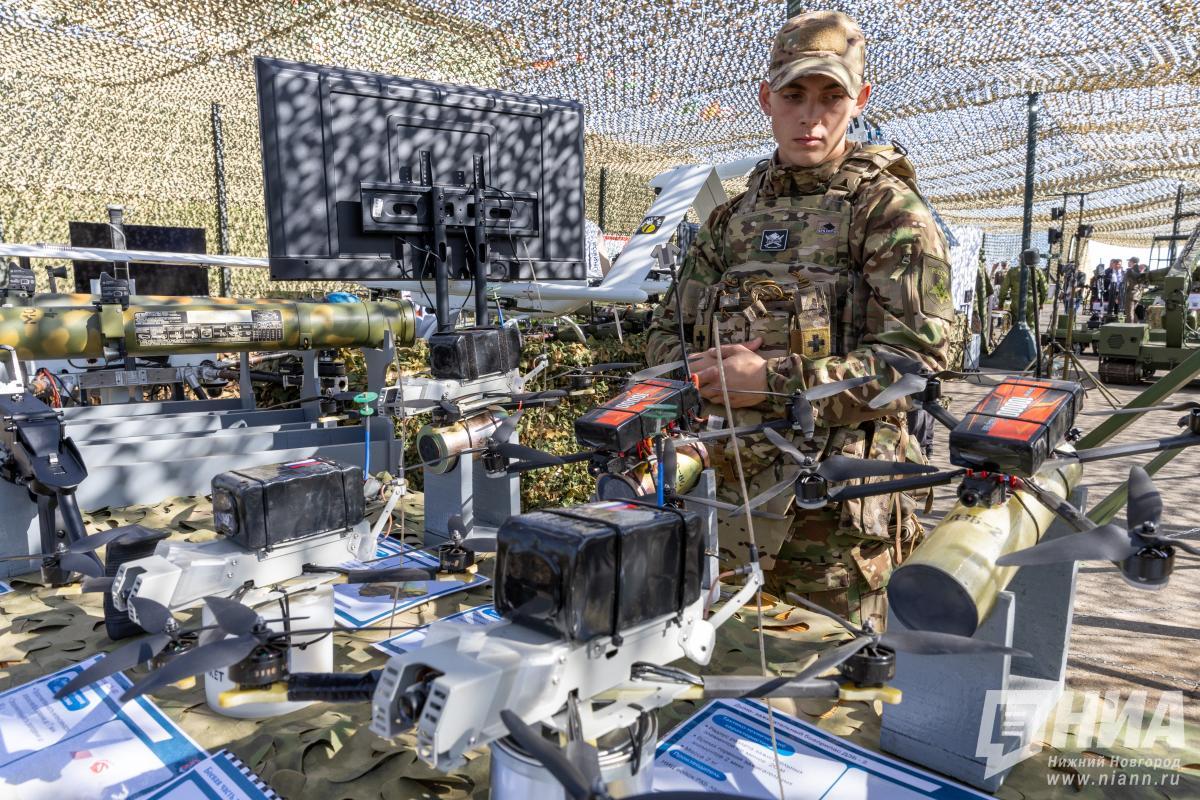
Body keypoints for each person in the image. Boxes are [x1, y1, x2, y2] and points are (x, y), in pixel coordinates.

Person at [644, 10, 952, 630]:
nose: (811, 116)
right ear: (767, 99)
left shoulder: (887, 211)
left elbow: (917, 361)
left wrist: (774, 381)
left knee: (831, 675)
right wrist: (700, 372)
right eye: (794, 95)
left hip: (832, 515)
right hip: (724, 493)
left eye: (831, 97)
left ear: (859, 100)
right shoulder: (731, 220)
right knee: (718, 658)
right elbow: (664, 332)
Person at [996, 257, 1047, 327]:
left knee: (1017, 326)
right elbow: (1044, 289)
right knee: (1031, 326)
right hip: (1032, 302)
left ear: (1019, 259)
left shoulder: (1012, 271)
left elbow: (1004, 289)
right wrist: (1041, 302)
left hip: (1017, 303)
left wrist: (1000, 304)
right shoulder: (1037, 271)